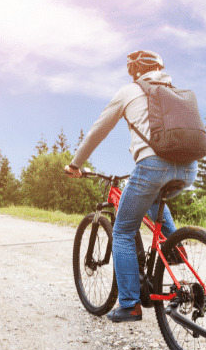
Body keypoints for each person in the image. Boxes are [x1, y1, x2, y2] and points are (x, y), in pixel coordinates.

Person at [65, 50, 197, 323]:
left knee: (123, 231)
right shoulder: (175, 93)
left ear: (135, 71)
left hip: (152, 166)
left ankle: (130, 304)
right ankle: (174, 248)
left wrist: (75, 164)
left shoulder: (129, 91)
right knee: (152, 200)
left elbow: (98, 130)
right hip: (189, 168)